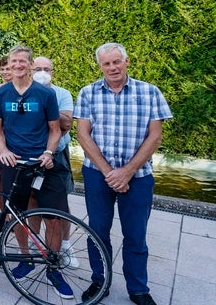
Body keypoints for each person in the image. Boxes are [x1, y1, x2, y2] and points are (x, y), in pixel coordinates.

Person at [74, 43, 172, 305]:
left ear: (127, 61)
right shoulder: (87, 93)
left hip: (138, 177)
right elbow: (83, 134)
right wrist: (110, 173)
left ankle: (138, 289)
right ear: (100, 66)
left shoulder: (150, 92)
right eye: (106, 64)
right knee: (97, 231)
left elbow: (156, 136)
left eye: (116, 61)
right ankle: (100, 281)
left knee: (136, 235)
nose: (112, 67)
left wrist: (126, 172)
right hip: (98, 175)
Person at [0, 45, 73, 299]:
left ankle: (53, 266)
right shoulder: (0, 94)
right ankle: (25, 259)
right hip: (13, 162)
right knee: (16, 214)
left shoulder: (45, 94)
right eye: (14, 61)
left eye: (22, 61)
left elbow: (55, 129)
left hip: (43, 162)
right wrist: (2, 150)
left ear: (30, 64)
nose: (18, 65)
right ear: (10, 64)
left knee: (54, 218)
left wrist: (49, 153)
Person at [32, 55, 79, 267]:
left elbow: (67, 124)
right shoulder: (24, 93)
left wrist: (46, 100)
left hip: (57, 155)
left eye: (46, 69)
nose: (42, 72)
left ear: (52, 72)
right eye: (38, 68)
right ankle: (35, 242)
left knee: (60, 205)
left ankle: (65, 244)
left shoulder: (61, 94)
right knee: (32, 200)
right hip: (32, 155)